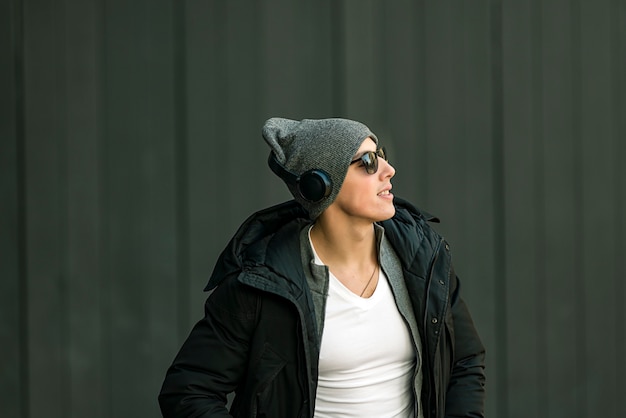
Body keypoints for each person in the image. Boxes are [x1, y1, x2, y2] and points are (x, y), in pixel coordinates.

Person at [158, 117, 486, 418]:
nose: (389, 170)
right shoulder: (264, 283)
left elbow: (465, 360)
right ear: (320, 185)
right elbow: (189, 391)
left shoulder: (423, 257)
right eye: (368, 162)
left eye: (381, 154)